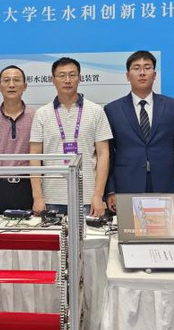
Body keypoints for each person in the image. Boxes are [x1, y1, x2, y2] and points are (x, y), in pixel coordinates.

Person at [29, 57, 112, 217]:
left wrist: (98, 195)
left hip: (87, 197)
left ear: (80, 78)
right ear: (53, 80)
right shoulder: (42, 114)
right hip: (51, 197)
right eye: (62, 75)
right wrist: (38, 197)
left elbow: (103, 154)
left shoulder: (96, 111)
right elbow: (34, 156)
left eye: (72, 75)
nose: (67, 80)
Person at [104, 51, 174, 210]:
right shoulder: (112, 110)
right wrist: (111, 190)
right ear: (127, 75)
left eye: (147, 68)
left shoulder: (173, 107)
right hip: (127, 183)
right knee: (130, 226)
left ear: (154, 75)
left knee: (165, 225)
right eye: (136, 68)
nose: (142, 73)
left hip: (167, 183)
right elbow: (108, 154)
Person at [0, 65, 37, 217]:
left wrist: (38, 196)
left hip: (27, 186)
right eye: (6, 80)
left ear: (25, 86)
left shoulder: (36, 116)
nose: (11, 85)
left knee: (29, 229)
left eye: (16, 80)